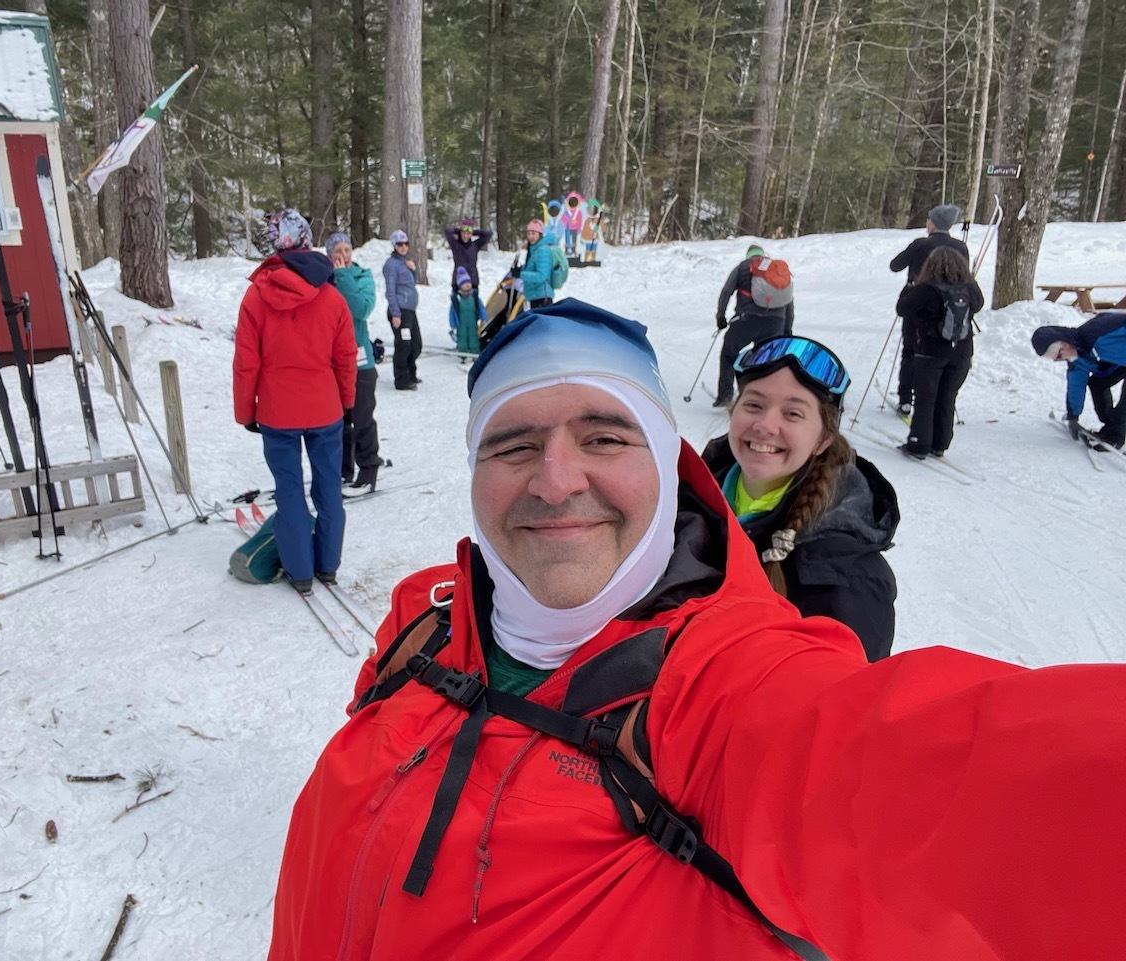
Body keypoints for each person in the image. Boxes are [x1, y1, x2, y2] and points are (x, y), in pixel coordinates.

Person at [266, 299, 1126, 961]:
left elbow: (945, 776)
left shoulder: (724, 688)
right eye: (512, 445)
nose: (555, 479)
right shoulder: (425, 619)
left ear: (667, 466)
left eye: (605, 437)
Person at [701, 336, 898, 660]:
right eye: (754, 405)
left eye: (792, 414)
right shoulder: (689, 491)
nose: (766, 425)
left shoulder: (849, 579)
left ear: (823, 440)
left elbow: (844, 688)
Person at [232, 209, 355, 595]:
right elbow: (345, 357)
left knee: (289, 490)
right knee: (328, 488)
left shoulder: (256, 296)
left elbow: (246, 363)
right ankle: (327, 565)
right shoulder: (331, 296)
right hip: (325, 409)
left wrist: (246, 412)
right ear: (306, 239)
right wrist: (347, 402)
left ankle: (299, 570)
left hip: (277, 411)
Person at [893, 247, 984, 459]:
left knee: (925, 398)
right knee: (947, 396)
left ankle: (919, 444)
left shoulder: (927, 288)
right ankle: (940, 443)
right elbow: (978, 305)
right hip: (961, 351)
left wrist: (907, 290)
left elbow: (903, 309)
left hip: (931, 351)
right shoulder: (969, 287)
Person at [888, 204, 970, 416]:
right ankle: (934, 400)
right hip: (948, 308)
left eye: (928, 219)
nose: (927, 222)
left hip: (917, 303)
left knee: (910, 351)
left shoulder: (920, 244)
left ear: (933, 223)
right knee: (937, 353)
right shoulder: (960, 247)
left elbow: (895, 265)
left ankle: (905, 399)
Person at [325, 231, 384, 493]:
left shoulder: (362, 276)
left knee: (362, 418)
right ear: (329, 255)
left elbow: (361, 309)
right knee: (338, 421)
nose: (344, 256)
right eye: (337, 252)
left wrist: (344, 276)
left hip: (361, 363)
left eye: (347, 250)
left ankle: (369, 469)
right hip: (332, 362)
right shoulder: (323, 280)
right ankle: (343, 470)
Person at [713, 243, 795, 406]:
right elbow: (788, 302)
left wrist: (720, 316)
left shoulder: (743, 267)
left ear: (748, 256)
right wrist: (787, 329)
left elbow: (726, 291)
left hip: (747, 320)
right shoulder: (776, 271)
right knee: (764, 361)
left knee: (729, 353)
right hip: (775, 323)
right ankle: (762, 399)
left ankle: (725, 396)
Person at [1031, 311, 1126, 449]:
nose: (1061, 359)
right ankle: (1111, 427)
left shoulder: (1097, 331)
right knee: (1097, 384)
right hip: (1121, 362)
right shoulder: (1076, 357)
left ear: (1064, 344)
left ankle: (1115, 437)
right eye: (1056, 359)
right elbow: (1076, 386)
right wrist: (1073, 417)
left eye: (1059, 355)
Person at [383, 229, 422, 391]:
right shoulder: (391, 265)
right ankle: (401, 379)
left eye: (406, 244)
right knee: (403, 345)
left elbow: (413, 283)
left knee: (416, 344)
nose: (404, 247)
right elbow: (390, 290)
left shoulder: (405, 263)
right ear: (394, 245)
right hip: (400, 310)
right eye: (400, 244)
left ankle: (411, 374)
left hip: (410, 310)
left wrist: (413, 270)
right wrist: (395, 313)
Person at [517, 218, 557, 309]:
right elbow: (533, 269)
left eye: (533, 233)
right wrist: (520, 270)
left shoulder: (543, 250)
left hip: (543, 298)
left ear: (540, 234)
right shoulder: (534, 250)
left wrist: (521, 274)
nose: (531, 236)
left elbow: (542, 276)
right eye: (529, 234)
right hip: (536, 296)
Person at [444, 218, 493, 291]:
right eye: (463, 233)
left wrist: (474, 231)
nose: (465, 236)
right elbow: (447, 231)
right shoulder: (455, 244)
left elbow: (488, 234)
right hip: (458, 282)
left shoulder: (475, 245)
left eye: (468, 234)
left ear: (471, 234)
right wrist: (458, 230)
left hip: (472, 281)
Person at [448, 265, 486, 358]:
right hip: (461, 324)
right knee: (462, 339)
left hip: (473, 322)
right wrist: (453, 324)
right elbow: (452, 312)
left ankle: (474, 353)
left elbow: (481, 307)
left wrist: (484, 317)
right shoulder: (457, 299)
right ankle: (462, 354)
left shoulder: (474, 297)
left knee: (473, 337)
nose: (467, 284)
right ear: (460, 285)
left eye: (468, 282)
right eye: (464, 283)